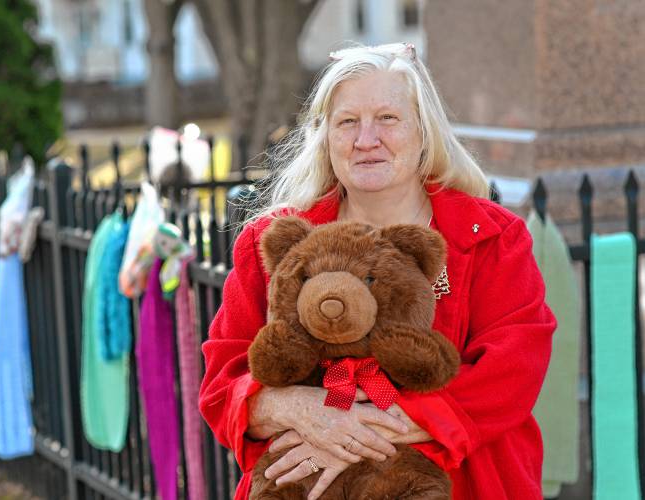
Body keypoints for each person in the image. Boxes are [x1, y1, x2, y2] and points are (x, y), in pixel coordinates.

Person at [199, 42, 556, 500]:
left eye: (387, 118)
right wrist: (293, 406)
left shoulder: (492, 238)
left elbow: (512, 373)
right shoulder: (274, 242)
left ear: (423, 131)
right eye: (347, 122)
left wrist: (355, 433)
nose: (366, 139)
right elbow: (221, 382)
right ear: (325, 136)